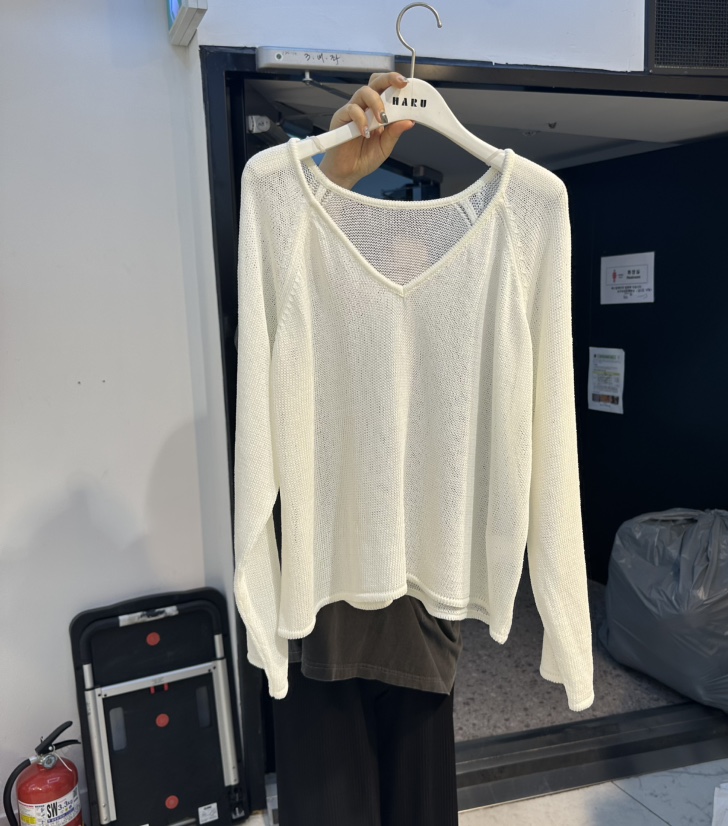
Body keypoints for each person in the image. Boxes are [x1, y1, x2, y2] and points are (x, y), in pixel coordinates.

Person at [268, 72, 463, 826]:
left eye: (412, 273)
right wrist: (329, 175)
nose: (396, 287)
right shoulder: (312, 327)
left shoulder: (450, 350)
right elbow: (277, 284)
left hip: (419, 626)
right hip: (318, 621)